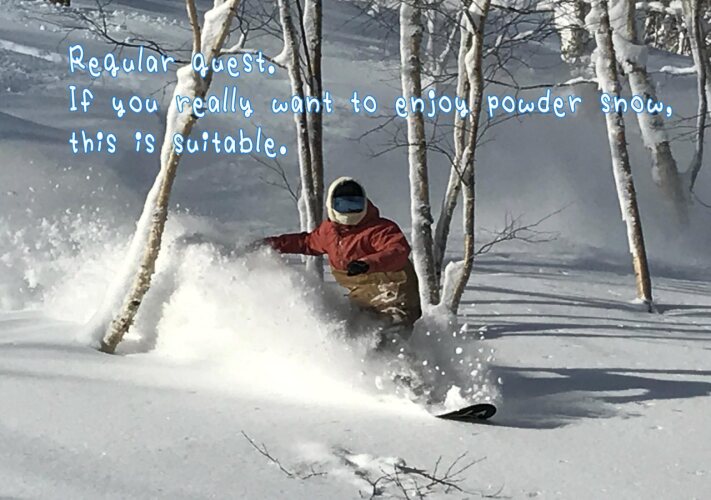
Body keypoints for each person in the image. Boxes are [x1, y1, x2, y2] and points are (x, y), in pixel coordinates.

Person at [264, 177, 422, 328]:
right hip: (363, 298)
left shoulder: (379, 229)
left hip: (395, 293)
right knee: (352, 331)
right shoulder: (329, 232)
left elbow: (397, 251)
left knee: (389, 334)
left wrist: (368, 263)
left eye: (355, 204)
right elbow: (306, 242)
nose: (350, 212)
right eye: (343, 205)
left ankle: (398, 343)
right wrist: (272, 244)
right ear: (331, 205)